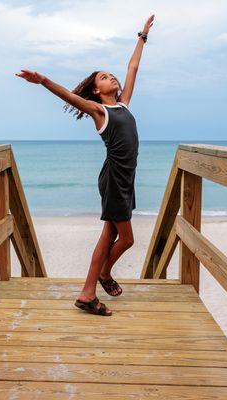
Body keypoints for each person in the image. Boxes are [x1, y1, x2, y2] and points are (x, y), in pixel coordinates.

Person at [16, 14, 155, 316]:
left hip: (124, 180)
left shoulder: (123, 104)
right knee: (126, 239)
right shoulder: (99, 111)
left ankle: (88, 292)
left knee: (109, 235)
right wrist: (42, 81)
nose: (112, 78)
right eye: (104, 77)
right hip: (114, 180)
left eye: (111, 75)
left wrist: (141, 37)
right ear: (95, 90)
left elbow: (133, 68)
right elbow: (68, 95)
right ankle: (100, 278)